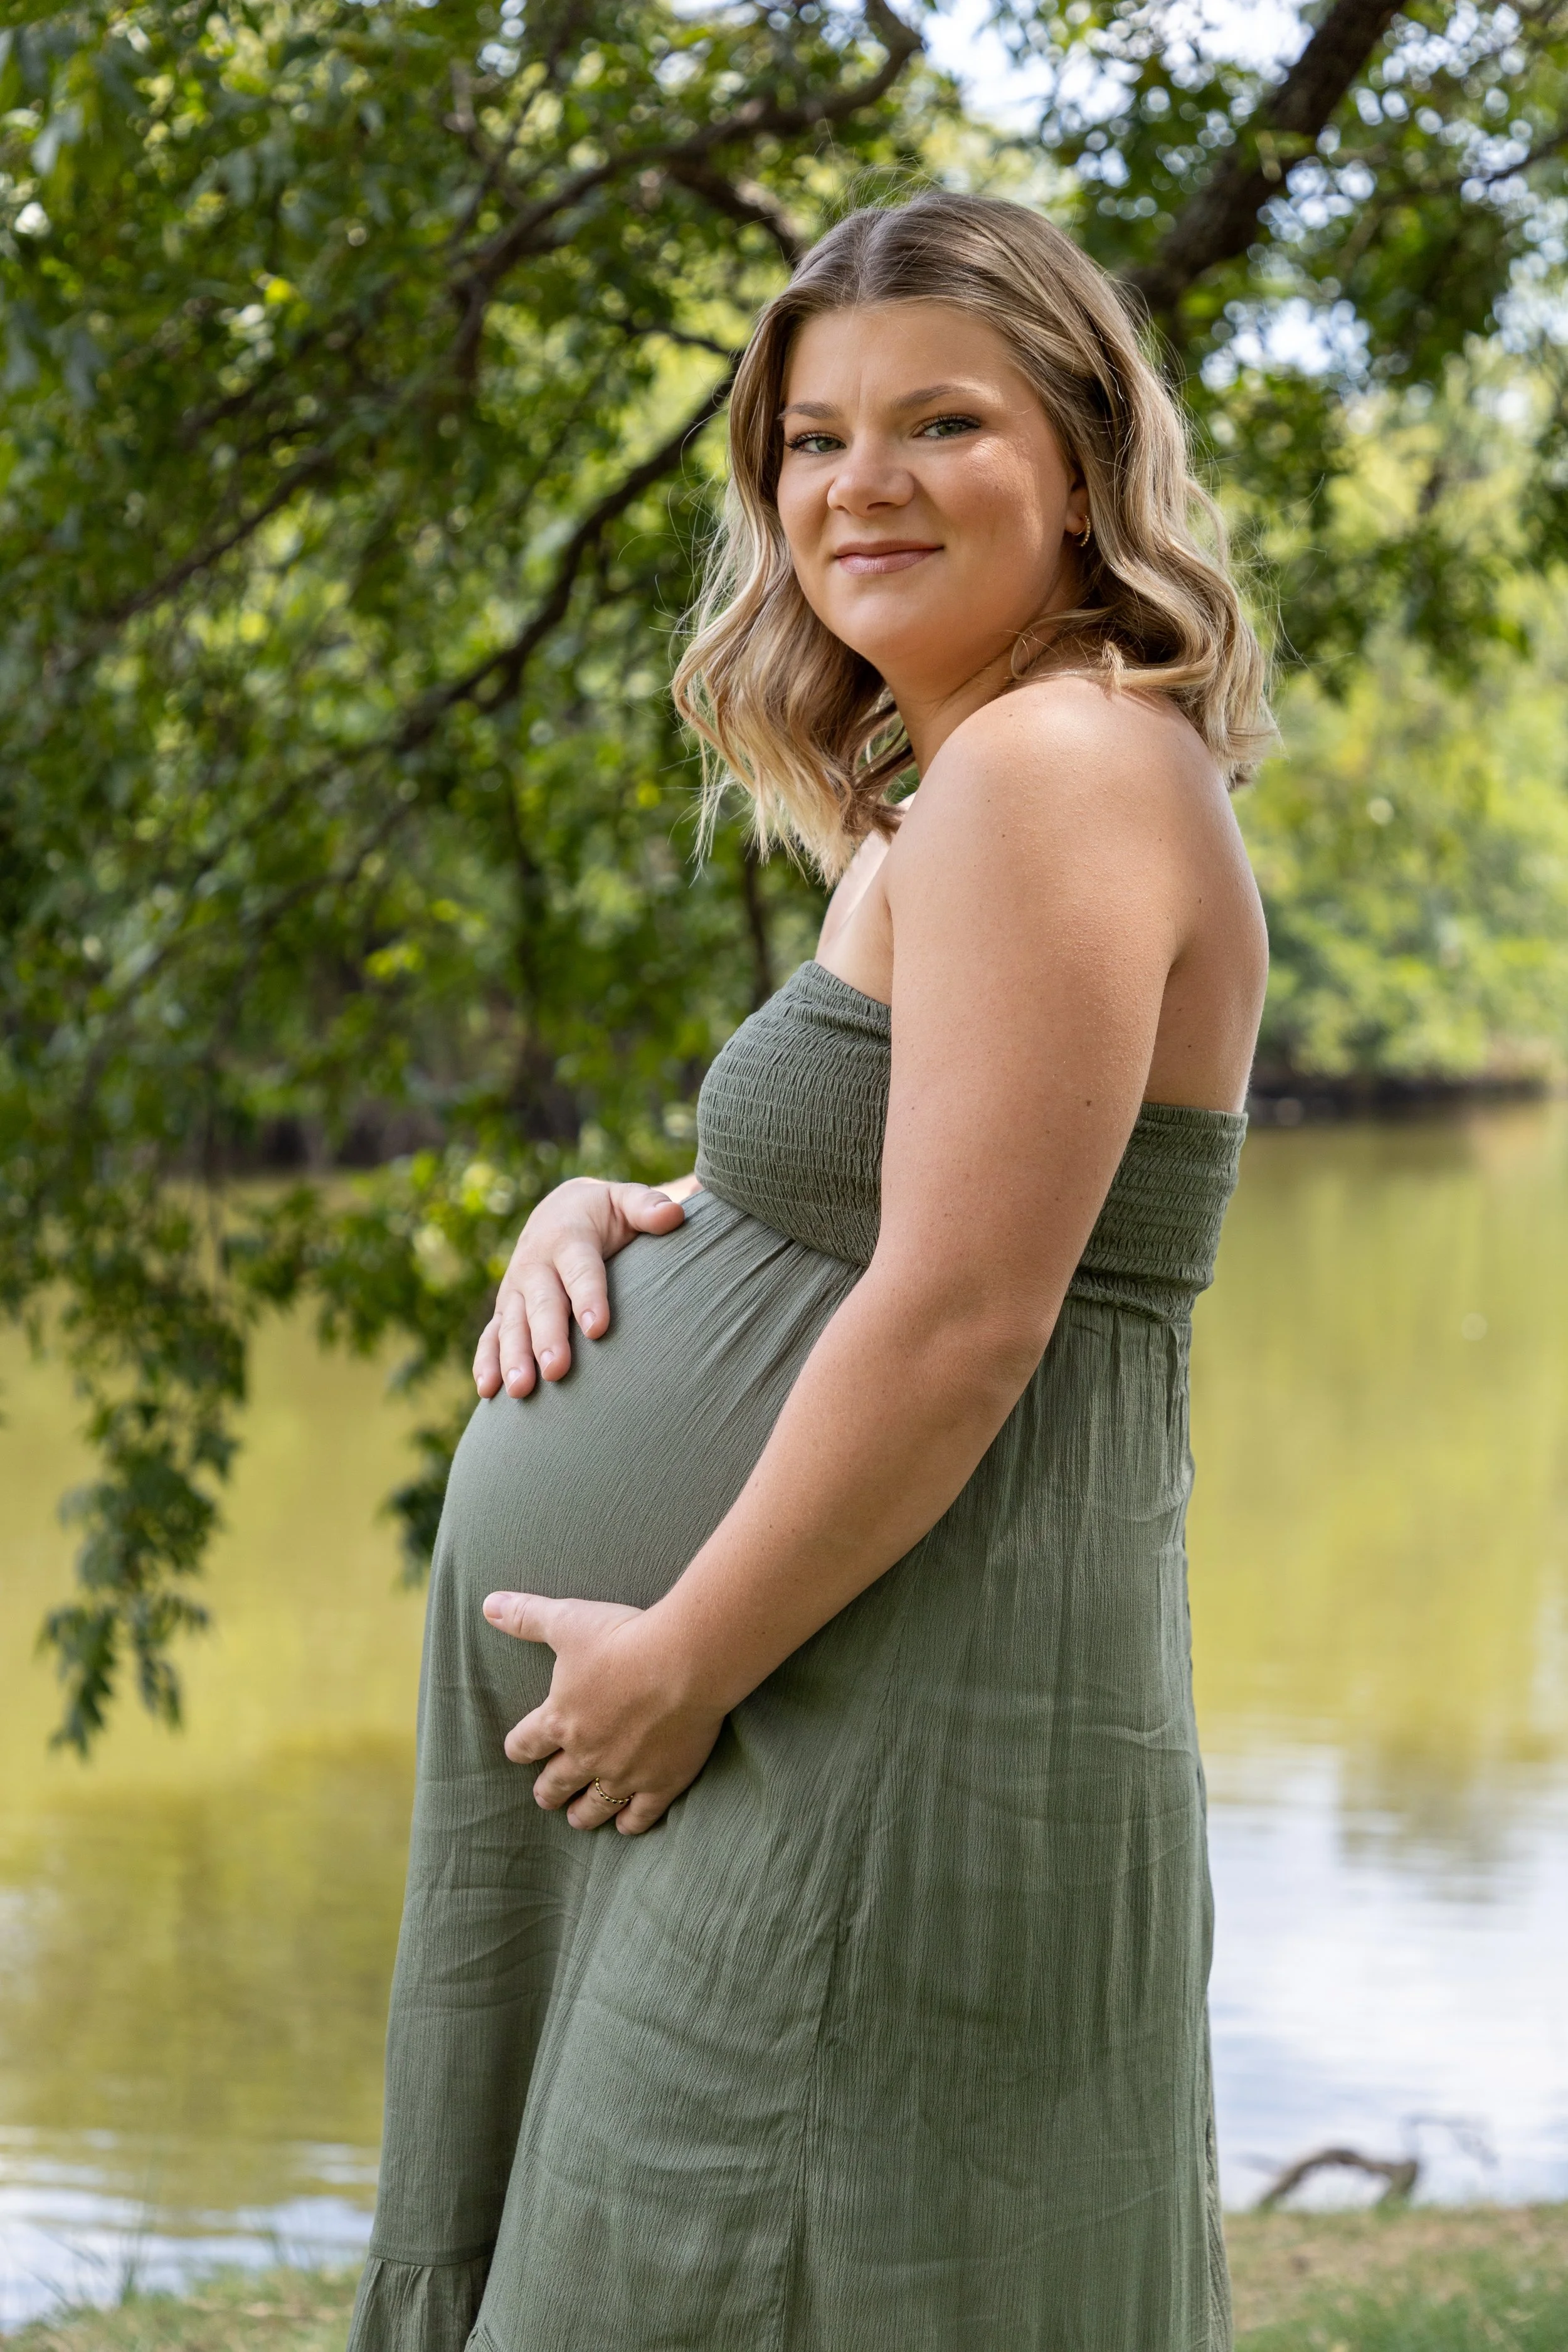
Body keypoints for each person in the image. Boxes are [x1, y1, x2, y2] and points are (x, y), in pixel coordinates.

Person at [348, 190, 1269, 2352]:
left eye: (938, 421)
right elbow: (877, 1207)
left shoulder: (1056, 762)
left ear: (1075, 458)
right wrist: (642, 1209)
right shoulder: (958, 786)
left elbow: (966, 1318)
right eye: (807, 439)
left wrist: (682, 1655)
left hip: (867, 1733)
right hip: (806, 1713)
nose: (856, 484)